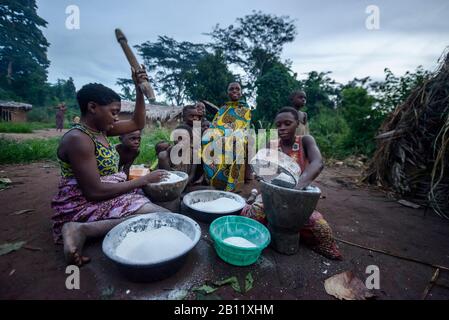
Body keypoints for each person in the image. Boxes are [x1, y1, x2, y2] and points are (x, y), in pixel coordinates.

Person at [51, 67, 170, 267]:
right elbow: (93, 192)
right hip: (81, 201)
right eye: (113, 112)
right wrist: (144, 180)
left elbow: (137, 122)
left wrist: (138, 89)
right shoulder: (78, 139)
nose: (116, 118)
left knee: (159, 211)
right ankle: (82, 229)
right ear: (92, 107)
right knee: (160, 216)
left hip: (106, 191)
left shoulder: (102, 130)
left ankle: (90, 227)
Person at [242, 107, 342, 260]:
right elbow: (264, 169)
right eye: (279, 125)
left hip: (298, 195)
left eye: (287, 123)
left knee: (321, 229)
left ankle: (264, 212)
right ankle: (256, 208)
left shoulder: (306, 141)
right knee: (250, 218)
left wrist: (297, 188)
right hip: (272, 194)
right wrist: (261, 175)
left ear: (297, 124)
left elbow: (317, 162)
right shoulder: (272, 144)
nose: (282, 128)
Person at [202, 82, 252, 192]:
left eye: (237, 89)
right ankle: (212, 179)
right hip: (220, 136)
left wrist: (230, 137)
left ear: (241, 92)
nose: (234, 91)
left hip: (238, 136)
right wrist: (218, 136)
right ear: (227, 92)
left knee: (236, 144)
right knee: (205, 139)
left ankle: (230, 185)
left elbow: (244, 127)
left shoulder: (245, 109)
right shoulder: (222, 109)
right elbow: (215, 125)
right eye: (231, 89)